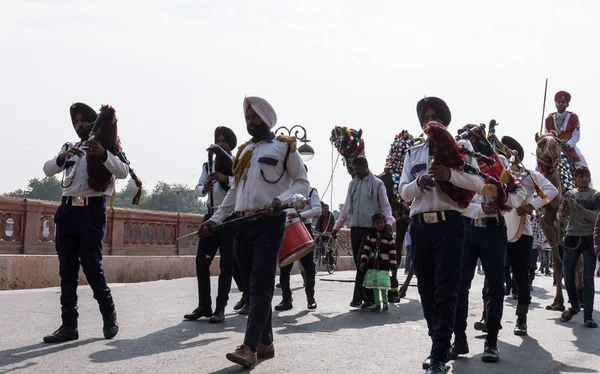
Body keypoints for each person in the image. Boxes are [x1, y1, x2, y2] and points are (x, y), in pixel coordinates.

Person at [198, 96, 309, 368]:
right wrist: (215, 219)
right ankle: (266, 343)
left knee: (260, 284)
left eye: (255, 117)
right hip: (241, 223)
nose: (250, 122)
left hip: (270, 221)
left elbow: (303, 183)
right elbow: (234, 192)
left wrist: (281, 201)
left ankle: (249, 348)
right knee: (249, 287)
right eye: (247, 118)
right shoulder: (246, 151)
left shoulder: (285, 147)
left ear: (267, 119)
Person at [399, 96, 485, 374]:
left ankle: (438, 355)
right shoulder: (413, 153)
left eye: (433, 116)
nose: (428, 120)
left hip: (449, 226)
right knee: (426, 291)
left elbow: (477, 182)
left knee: (446, 291)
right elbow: (402, 191)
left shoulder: (461, 147)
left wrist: (449, 173)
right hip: (420, 226)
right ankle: (436, 341)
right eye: (424, 117)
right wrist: (417, 183)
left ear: (444, 121)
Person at [42, 102, 130, 343]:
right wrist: (64, 156)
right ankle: (69, 326)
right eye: (76, 121)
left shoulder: (108, 147)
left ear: (95, 121)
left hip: (91, 211)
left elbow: (123, 171)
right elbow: (47, 169)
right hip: (68, 210)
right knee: (67, 270)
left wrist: (102, 153)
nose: (79, 124)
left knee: (92, 267)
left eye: (84, 120)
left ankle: (109, 313)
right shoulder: (70, 147)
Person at [448, 152, 526, 363]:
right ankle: (459, 338)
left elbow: (521, 192)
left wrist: (504, 200)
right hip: (468, 230)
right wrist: (480, 208)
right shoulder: (462, 169)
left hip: (494, 231)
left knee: (495, 287)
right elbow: (456, 202)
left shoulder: (498, 168)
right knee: (459, 286)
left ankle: (491, 341)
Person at [184, 126, 247, 323]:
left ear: (229, 145)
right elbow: (198, 190)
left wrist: (224, 178)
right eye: (217, 141)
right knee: (202, 262)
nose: (220, 144)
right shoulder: (207, 166)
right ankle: (204, 305)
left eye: (223, 142)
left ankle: (221, 307)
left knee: (227, 265)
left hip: (229, 219)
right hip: (210, 217)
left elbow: (240, 185)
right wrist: (205, 187)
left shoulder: (238, 165)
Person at [501, 136, 558, 336]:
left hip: (522, 233)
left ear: (516, 156)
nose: (504, 156)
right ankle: (488, 318)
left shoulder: (529, 176)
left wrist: (530, 205)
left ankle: (521, 319)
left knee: (521, 275)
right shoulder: (497, 173)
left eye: (507, 152)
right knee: (494, 276)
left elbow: (551, 190)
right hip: (497, 231)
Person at [331, 156, 395, 309]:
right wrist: (336, 227)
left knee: (363, 261)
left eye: (358, 169)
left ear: (366, 167)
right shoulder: (353, 184)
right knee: (360, 262)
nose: (356, 172)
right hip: (355, 227)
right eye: (354, 169)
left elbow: (385, 206)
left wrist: (388, 223)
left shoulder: (377, 184)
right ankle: (368, 298)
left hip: (370, 229)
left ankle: (360, 298)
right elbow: (347, 208)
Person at [558, 166, 600, 328]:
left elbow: (597, 217)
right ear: (575, 178)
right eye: (580, 176)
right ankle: (575, 305)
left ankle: (588, 316)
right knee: (568, 277)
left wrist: (580, 209)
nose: (584, 179)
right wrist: (562, 212)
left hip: (589, 239)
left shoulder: (596, 196)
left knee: (588, 279)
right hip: (570, 238)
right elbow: (560, 218)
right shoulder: (568, 194)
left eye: (586, 176)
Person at [275, 179, 321, 311]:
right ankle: (286, 299)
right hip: (286, 229)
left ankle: (310, 298)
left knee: (309, 268)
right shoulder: (285, 192)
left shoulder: (311, 191)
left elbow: (317, 209)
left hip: (303, 228)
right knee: (284, 267)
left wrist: (300, 215)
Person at [358, 213, 397, 312]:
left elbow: (392, 251)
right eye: (377, 223)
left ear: (384, 223)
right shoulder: (371, 236)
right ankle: (377, 303)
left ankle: (385, 303)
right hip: (373, 265)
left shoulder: (389, 236)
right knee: (375, 286)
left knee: (383, 286)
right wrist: (363, 261)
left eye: (381, 222)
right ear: (373, 225)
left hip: (384, 266)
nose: (380, 225)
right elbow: (366, 249)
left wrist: (393, 265)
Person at [544, 90, 588, 168]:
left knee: (582, 166)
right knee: (540, 166)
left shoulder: (573, 117)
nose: (560, 104)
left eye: (563, 102)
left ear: (567, 104)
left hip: (569, 147)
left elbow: (576, 136)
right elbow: (546, 135)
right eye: (558, 102)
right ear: (555, 103)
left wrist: (567, 145)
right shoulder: (549, 119)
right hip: (553, 146)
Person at [533, 212, 552, 276]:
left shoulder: (549, 229)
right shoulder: (539, 227)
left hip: (549, 248)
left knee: (548, 260)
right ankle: (543, 269)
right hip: (543, 247)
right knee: (544, 260)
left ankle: (546, 270)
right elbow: (541, 236)